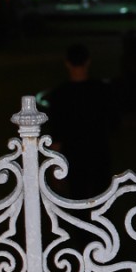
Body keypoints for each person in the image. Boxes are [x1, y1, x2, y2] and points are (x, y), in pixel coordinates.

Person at [43, 42, 120, 199]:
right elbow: (114, 123)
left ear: (67, 63)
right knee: (102, 200)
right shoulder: (102, 90)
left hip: (73, 155)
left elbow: (56, 134)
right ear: (88, 61)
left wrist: (54, 168)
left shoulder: (59, 95)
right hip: (99, 152)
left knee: (78, 199)